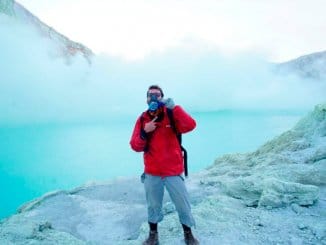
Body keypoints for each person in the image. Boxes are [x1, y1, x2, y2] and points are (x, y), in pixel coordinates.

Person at [130, 85, 199, 245]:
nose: (153, 98)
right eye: (150, 95)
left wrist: (175, 107)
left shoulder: (171, 114)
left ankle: (188, 234)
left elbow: (190, 125)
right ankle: (153, 234)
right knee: (153, 206)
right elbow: (135, 146)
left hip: (173, 171)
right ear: (146, 99)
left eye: (157, 95)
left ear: (162, 98)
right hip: (152, 172)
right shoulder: (142, 119)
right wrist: (144, 132)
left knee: (183, 204)